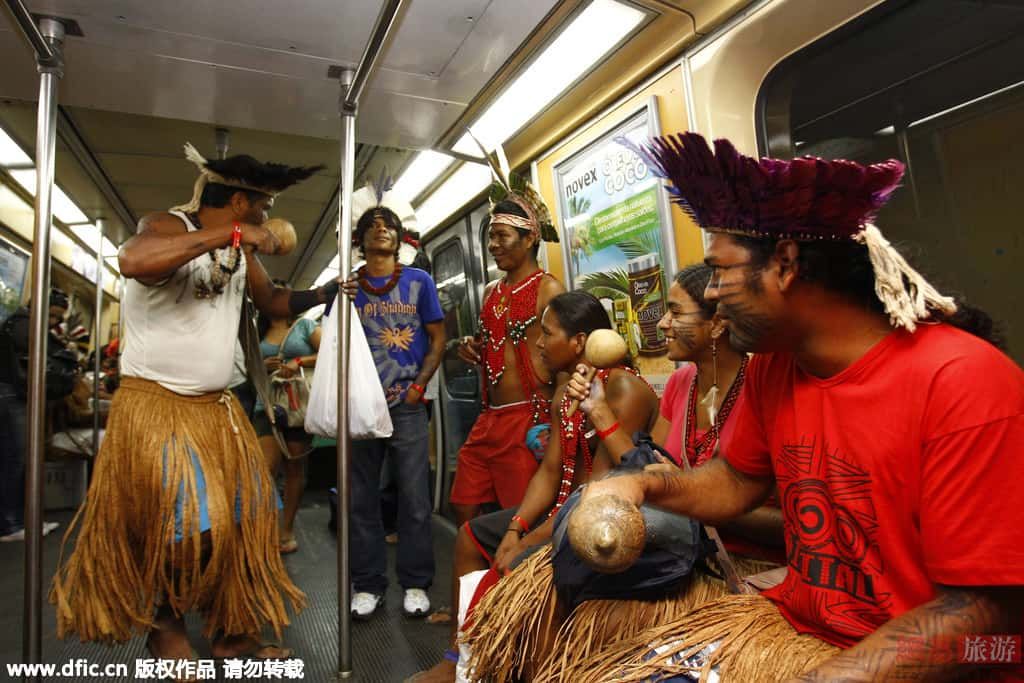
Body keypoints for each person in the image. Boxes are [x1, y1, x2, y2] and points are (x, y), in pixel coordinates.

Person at [567, 132, 1024, 682]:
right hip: (798, 632)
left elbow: (990, 619)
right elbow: (736, 480)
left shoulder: (965, 382)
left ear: (784, 263)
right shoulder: (775, 365)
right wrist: (641, 485)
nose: (710, 293)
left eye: (720, 270)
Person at [50, 143, 335, 669]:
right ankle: (165, 623)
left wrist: (326, 292)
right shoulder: (162, 224)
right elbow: (133, 260)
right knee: (189, 530)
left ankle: (230, 630)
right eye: (264, 208)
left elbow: (272, 302)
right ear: (241, 204)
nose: (270, 219)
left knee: (250, 519)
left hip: (215, 411)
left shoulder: (238, 251)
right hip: (157, 409)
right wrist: (229, 235)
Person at [513, 263, 785, 682]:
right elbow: (646, 465)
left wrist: (696, 496)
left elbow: (788, 524)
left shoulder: (763, 387)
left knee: (598, 619)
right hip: (681, 549)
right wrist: (599, 412)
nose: (663, 322)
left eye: (676, 312)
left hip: (737, 562)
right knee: (554, 589)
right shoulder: (681, 384)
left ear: (716, 326)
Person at [410, 290, 659, 683]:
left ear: (579, 342)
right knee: (470, 537)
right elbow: (550, 470)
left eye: (547, 333)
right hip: (564, 509)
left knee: (515, 567)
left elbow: (602, 488)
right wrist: (516, 529)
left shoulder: (623, 390)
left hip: (603, 519)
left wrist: (526, 543)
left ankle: (506, 668)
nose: (538, 343)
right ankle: (457, 659)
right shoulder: (567, 390)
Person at [343, 180, 446, 620]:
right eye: (372, 224)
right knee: (360, 497)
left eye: (388, 225)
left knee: (414, 497)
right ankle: (367, 584)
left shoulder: (420, 282)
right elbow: (337, 346)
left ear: (400, 237)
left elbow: (438, 339)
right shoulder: (347, 288)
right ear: (360, 238)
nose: (381, 229)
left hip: (406, 400)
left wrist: (421, 384)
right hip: (362, 404)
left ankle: (416, 583)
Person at [452, 164, 565, 527]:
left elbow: (567, 356)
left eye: (501, 236)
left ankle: (517, 582)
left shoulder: (548, 288)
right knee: (465, 505)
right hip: (488, 419)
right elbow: (491, 342)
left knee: (521, 518)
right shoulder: (490, 292)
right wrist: (471, 347)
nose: (492, 245)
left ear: (530, 237)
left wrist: (559, 419)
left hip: (528, 418)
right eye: (491, 237)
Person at [0, 288, 70, 542]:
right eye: (53, 316)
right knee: (16, 459)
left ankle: (17, 519)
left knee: (17, 458)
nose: (54, 322)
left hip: (15, 394)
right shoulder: (23, 326)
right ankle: (11, 523)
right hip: (12, 396)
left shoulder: (21, 324)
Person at [253, 298, 320, 555]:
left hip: (295, 406)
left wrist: (298, 362)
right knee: (262, 469)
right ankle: (263, 528)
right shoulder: (258, 331)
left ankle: (286, 529)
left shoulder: (304, 326)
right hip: (267, 404)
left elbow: (329, 351)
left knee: (293, 468)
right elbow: (247, 369)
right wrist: (262, 366)